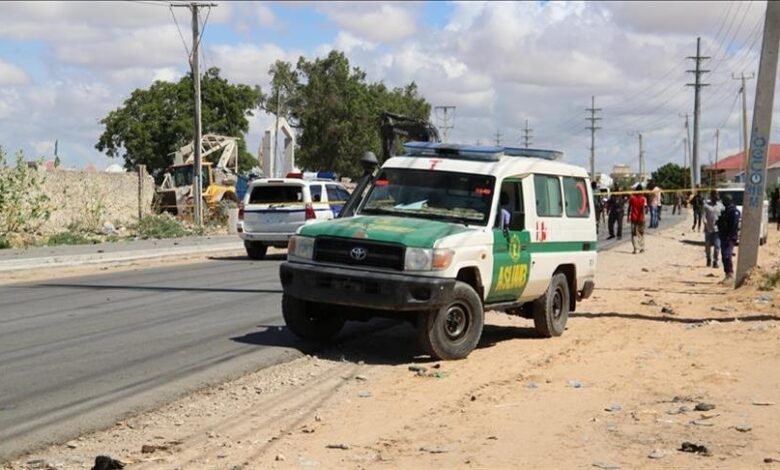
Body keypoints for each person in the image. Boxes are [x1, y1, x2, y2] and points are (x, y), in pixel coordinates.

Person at [717, 194, 741, 284]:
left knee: (727, 255)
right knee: (724, 255)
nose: (723, 202)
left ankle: (730, 274)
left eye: (724, 200)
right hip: (724, 236)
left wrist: (729, 236)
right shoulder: (726, 211)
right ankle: (727, 274)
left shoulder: (734, 211)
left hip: (729, 237)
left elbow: (734, 225)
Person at [703, 190, 723, 269]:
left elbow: (723, 216)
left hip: (717, 230)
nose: (716, 197)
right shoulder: (706, 206)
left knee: (717, 246)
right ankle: (708, 259)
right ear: (711, 196)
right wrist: (706, 225)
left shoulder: (720, 206)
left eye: (717, 195)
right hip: (708, 229)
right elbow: (704, 217)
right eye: (714, 195)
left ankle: (715, 261)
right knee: (708, 246)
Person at [628, 184, 646, 254]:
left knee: (634, 233)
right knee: (641, 233)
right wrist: (643, 217)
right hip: (641, 218)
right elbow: (643, 209)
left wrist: (628, 217)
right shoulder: (643, 198)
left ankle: (636, 249)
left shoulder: (632, 198)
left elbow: (629, 208)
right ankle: (642, 247)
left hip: (634, 217)